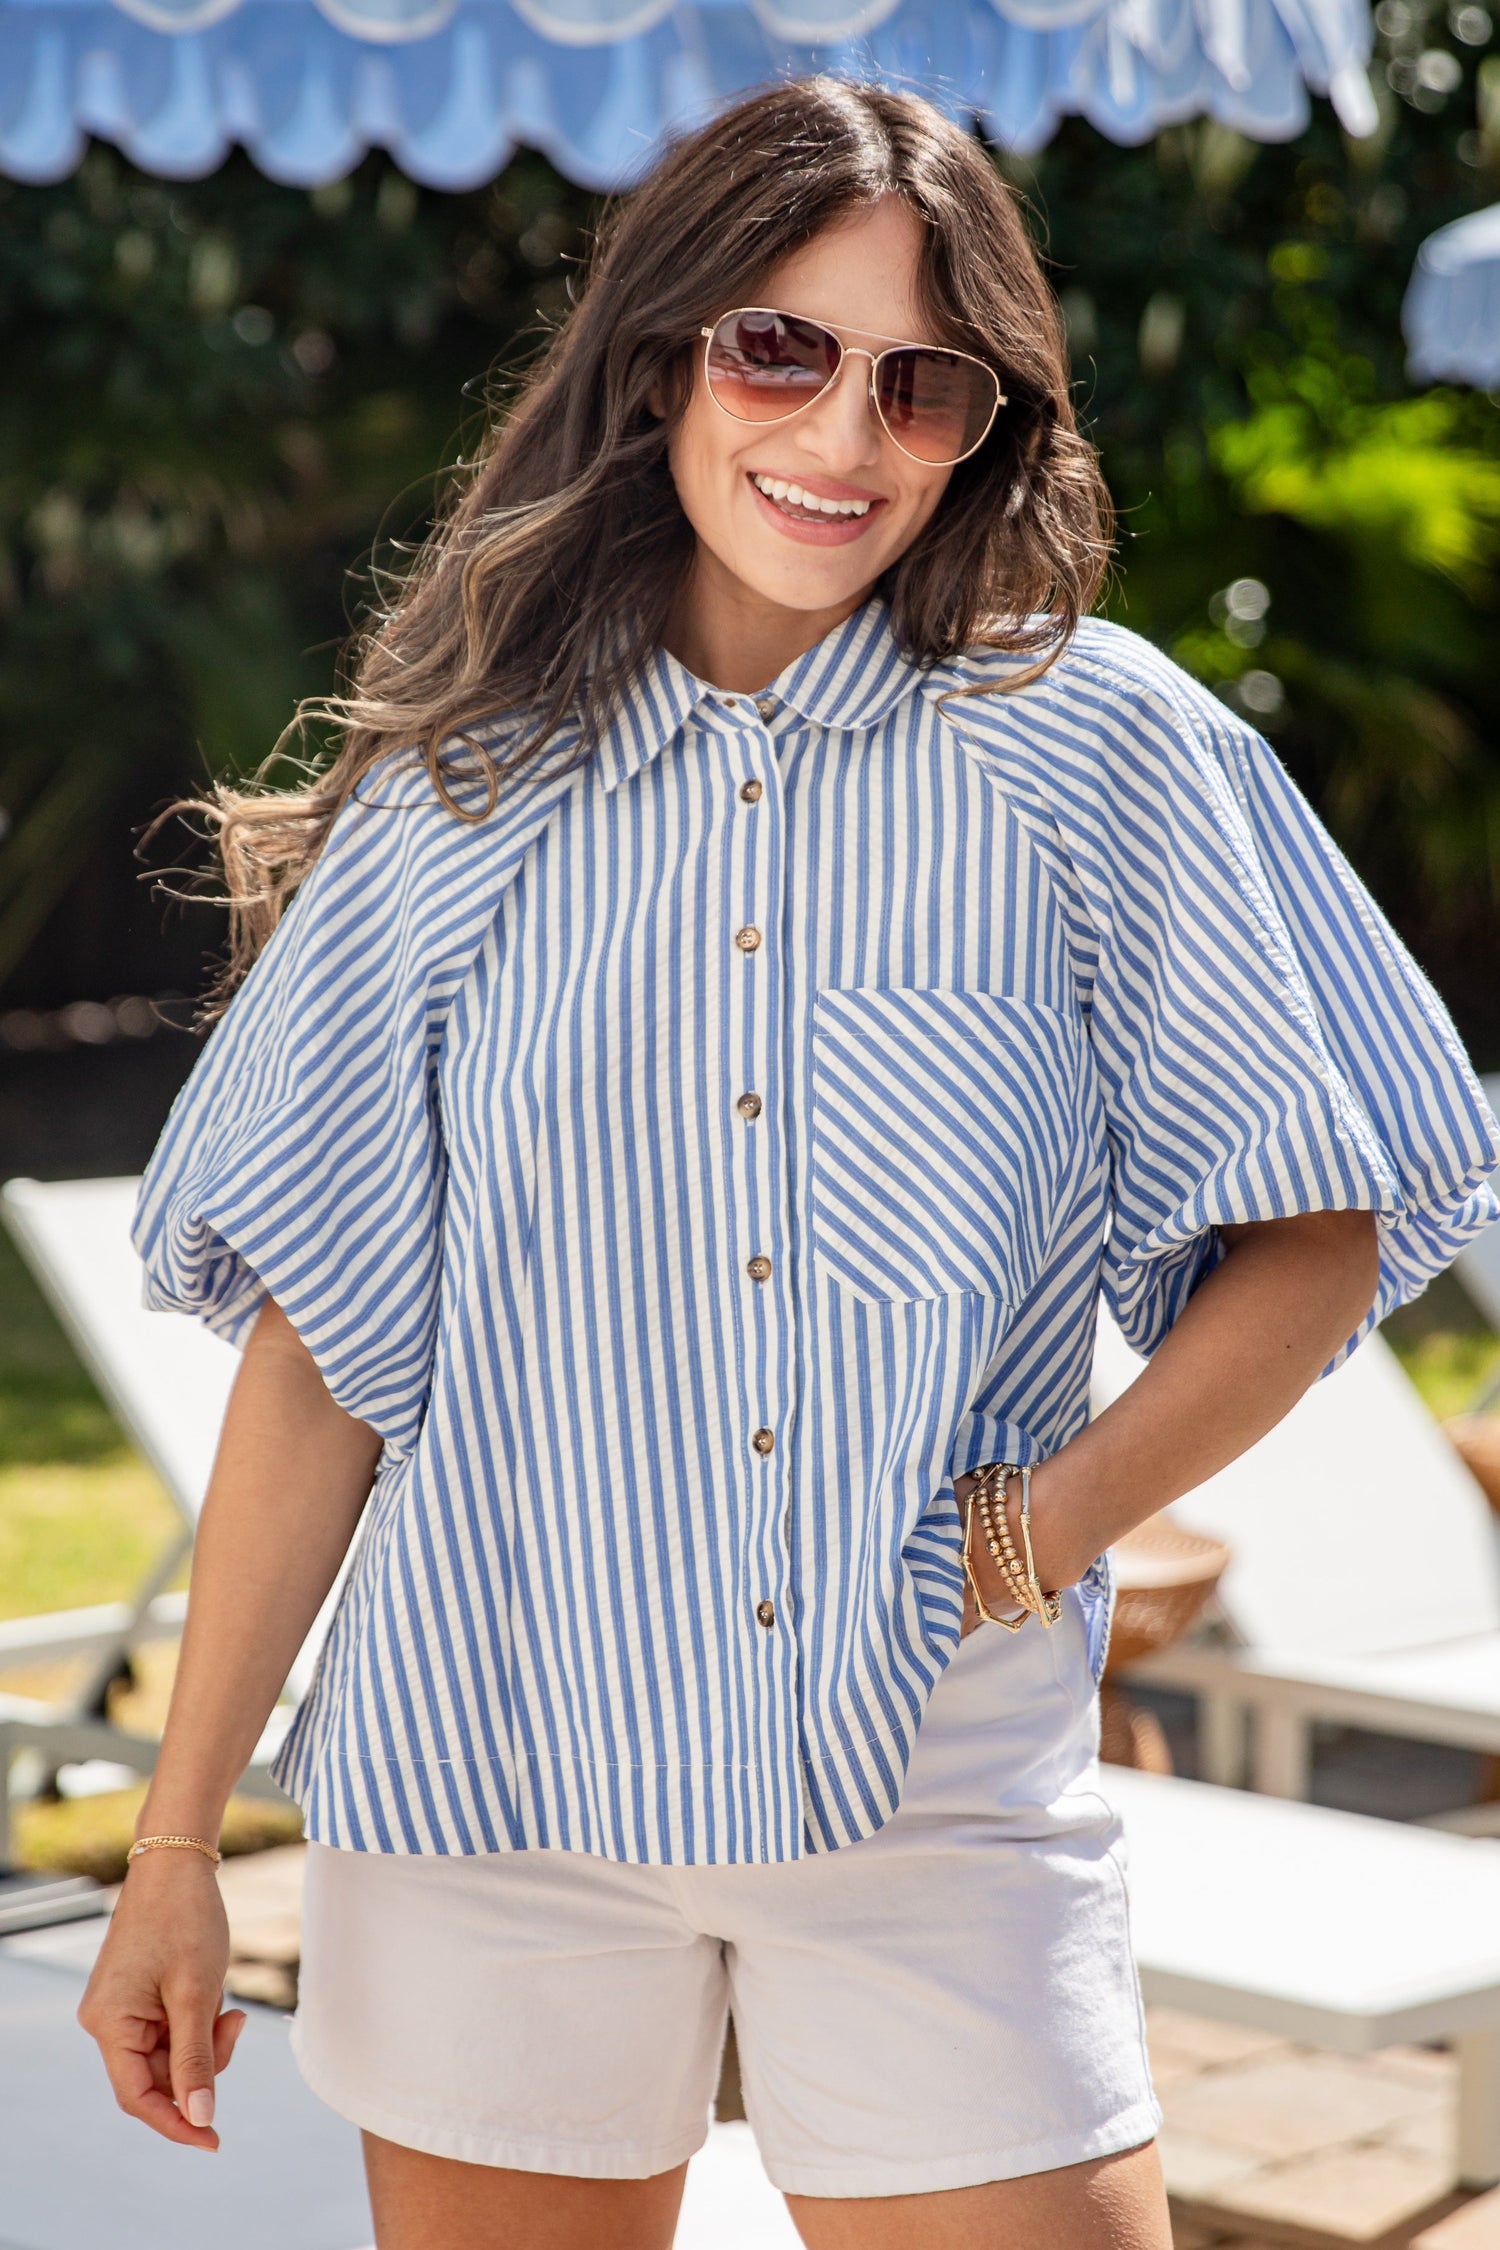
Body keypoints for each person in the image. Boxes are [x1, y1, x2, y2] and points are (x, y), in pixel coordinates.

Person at [79, 74, 1500, 2250]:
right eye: (781, 350)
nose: (842, 442)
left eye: (920, 386)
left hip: (936, 1780)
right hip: (493, 1782)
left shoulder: (1096, 748)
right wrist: (175, 1848)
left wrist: (1040, 1533)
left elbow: (1333, 1213)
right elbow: (326, 1345)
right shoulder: (466, 792)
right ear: (663, 356)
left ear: (983, 427)